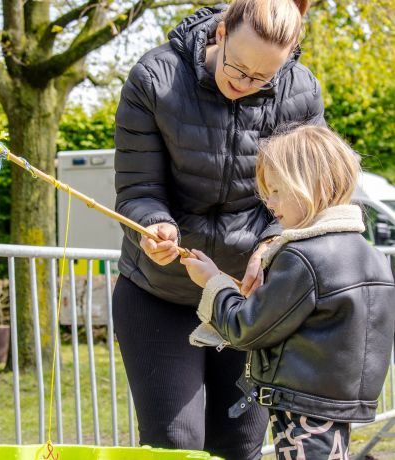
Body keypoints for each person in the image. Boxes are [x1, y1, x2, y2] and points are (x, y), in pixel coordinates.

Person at [113, 1, 324, 458]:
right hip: (160, 292)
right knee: (175, 444)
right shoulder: (156, 78)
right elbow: (138, 189)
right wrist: (155, 226)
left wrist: (269, 246)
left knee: (240, 443)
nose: (243, 84)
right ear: (221, 32)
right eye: (238, 68)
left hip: (249, 302)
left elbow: (308, 197)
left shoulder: (301, 92)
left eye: (261, 78)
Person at [181, 125, 395, 459]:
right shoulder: (372, 256)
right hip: (339, 402)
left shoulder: (303, 256)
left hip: (303, 405)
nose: (270, 203)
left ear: (311, 187)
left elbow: (246, 328)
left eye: (278, 191)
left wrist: (213, 282)